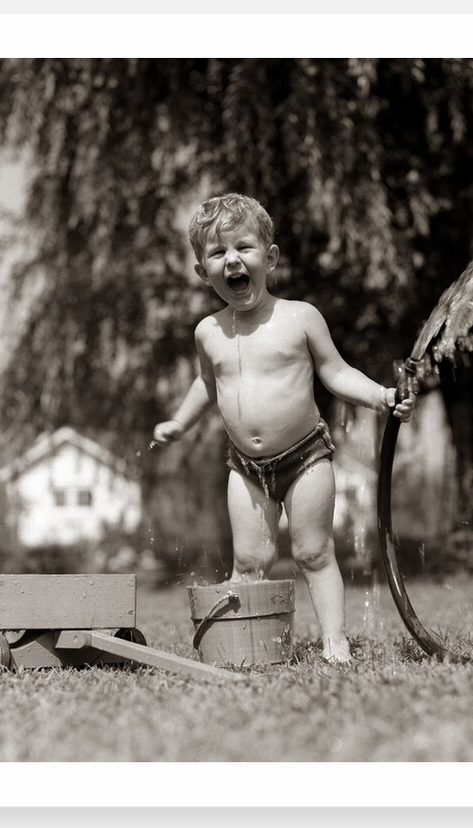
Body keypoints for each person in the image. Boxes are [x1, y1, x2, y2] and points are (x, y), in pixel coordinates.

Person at [152, 193, 415, 663]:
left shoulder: (299, 317)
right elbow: (206, 383)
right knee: (249, 563)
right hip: (245, 465)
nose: (232, 260)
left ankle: (334, 638)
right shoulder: (208, 332)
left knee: (314, 552)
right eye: (217, 253)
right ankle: (251, 646)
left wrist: (380, 396)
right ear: (202, 272)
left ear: (268, 258)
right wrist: (178, 421)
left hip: (305, 456)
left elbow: (336, 373)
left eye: (244, 248)